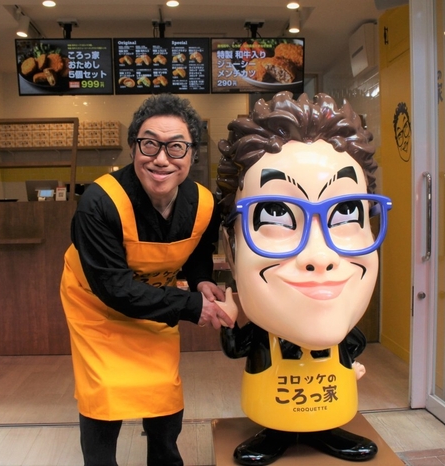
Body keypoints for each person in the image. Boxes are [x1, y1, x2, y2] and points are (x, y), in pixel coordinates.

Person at [214, 91, 392, 464]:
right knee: (275, 422)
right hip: (270, 404)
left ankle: (326, 431)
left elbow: (354, 343)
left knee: (329, 420)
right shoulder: (262, 333)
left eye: (346, 211)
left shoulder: (345, 329)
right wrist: (229, 321)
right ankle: (275, 435)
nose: (319, 257)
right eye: (276, 214)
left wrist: (353, 362)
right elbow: (236, 347)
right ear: (231, 249)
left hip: (332, 401)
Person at [60, 93, 235, 466]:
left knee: (163, 390)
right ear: (133, 147)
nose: (161, 158)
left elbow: (198, 248)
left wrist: (201, 280)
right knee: (105, 392)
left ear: (192, 154)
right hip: (96, 308)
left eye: (176, 147)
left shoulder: (204, 203)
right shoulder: (99, 203)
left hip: (156, 302)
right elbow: (114, 288)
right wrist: (193, 306)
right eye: (150, 144)